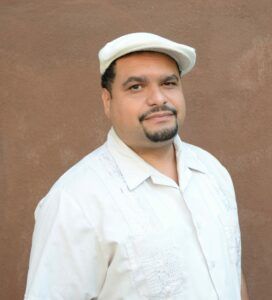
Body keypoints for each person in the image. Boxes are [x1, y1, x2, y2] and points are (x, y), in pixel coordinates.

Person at [24, 32, 249, 300]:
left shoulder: (212, 171)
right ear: (107, 101)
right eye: (136, 87)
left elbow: (232, 274)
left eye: (168, 83)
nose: (158, 99)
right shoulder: (75, 202)